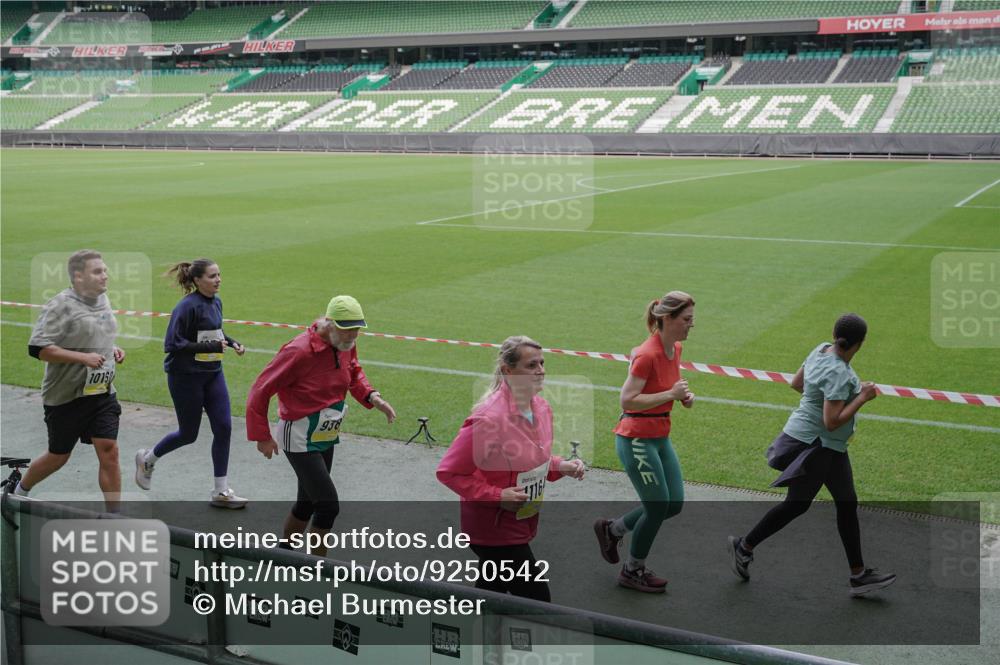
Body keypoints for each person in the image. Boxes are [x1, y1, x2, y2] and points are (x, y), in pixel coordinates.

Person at [727, 313, 896, 597]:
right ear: (860, 344)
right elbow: (832, 421)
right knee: (798, 504)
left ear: (834, 334)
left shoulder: (820, 349)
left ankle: (858, 575)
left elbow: (796, 384)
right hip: (817, 445)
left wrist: (821, 396)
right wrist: (861, 398)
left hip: (822, 443)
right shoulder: (840, 373)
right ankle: (743, 547)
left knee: (844, 502)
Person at [437, 336, 586, 602]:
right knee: (537, 601)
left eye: (542, 363)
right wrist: (498, 496)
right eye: (531, 365)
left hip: (520, 521)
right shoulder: (488, 418)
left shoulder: (540, 407)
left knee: (491, 592)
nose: (540, 370)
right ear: (508, 370)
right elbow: (449, 472)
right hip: (492, 530)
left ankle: (474, 638)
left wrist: (560, 466)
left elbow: (534, 458)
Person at [246, 295, 396, 556]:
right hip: (299, 434)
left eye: (357, 330)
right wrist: (262, 435)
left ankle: (283, 556)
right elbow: (261, 389)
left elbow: (353, 371)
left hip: (325, 431)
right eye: (348, 329)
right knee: (328, 506)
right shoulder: (298, 351)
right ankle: (319, 572)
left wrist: (372, 397)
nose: (353, 336)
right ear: (329, 323)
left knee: (307, 502)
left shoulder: (346, 343)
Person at [593, 291, 695, 594]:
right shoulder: (647, 355)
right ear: (667, 319)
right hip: (637, 438)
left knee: (672, 504)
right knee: (657, 505)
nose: (691, 326)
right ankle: (632, 570)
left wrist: (684, 397)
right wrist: (670, 396)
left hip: (660, 435)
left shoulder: (674, 348)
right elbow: (628, 400)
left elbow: (668, 388)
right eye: (687, 320)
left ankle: (612, 530)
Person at [15, 250, 125, 511]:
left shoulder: (103, 298)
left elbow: (97, 334)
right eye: (97, 271)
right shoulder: (60, 305)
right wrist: (82, 358)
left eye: (105, 270)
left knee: (109, 449)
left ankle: (114, 517)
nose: (104, 275)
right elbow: (38, 348)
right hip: (65, 396)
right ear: (78, 276)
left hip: (101, 393)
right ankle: (19, 491)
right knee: (59, 456)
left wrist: (113, 349)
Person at [134, 259, 247, 508]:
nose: (218, 280)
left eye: (219, 274)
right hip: (185, 377)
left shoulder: (216, 301)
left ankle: (221, 491)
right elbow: (172, 345)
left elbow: (214, 333)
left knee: (224, 427)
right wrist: (211, 346)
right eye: (212, 276)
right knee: (189, 434)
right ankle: (148, 459)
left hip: (213, 373)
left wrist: (232, 341)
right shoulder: (186, 307)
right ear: (197, 280)